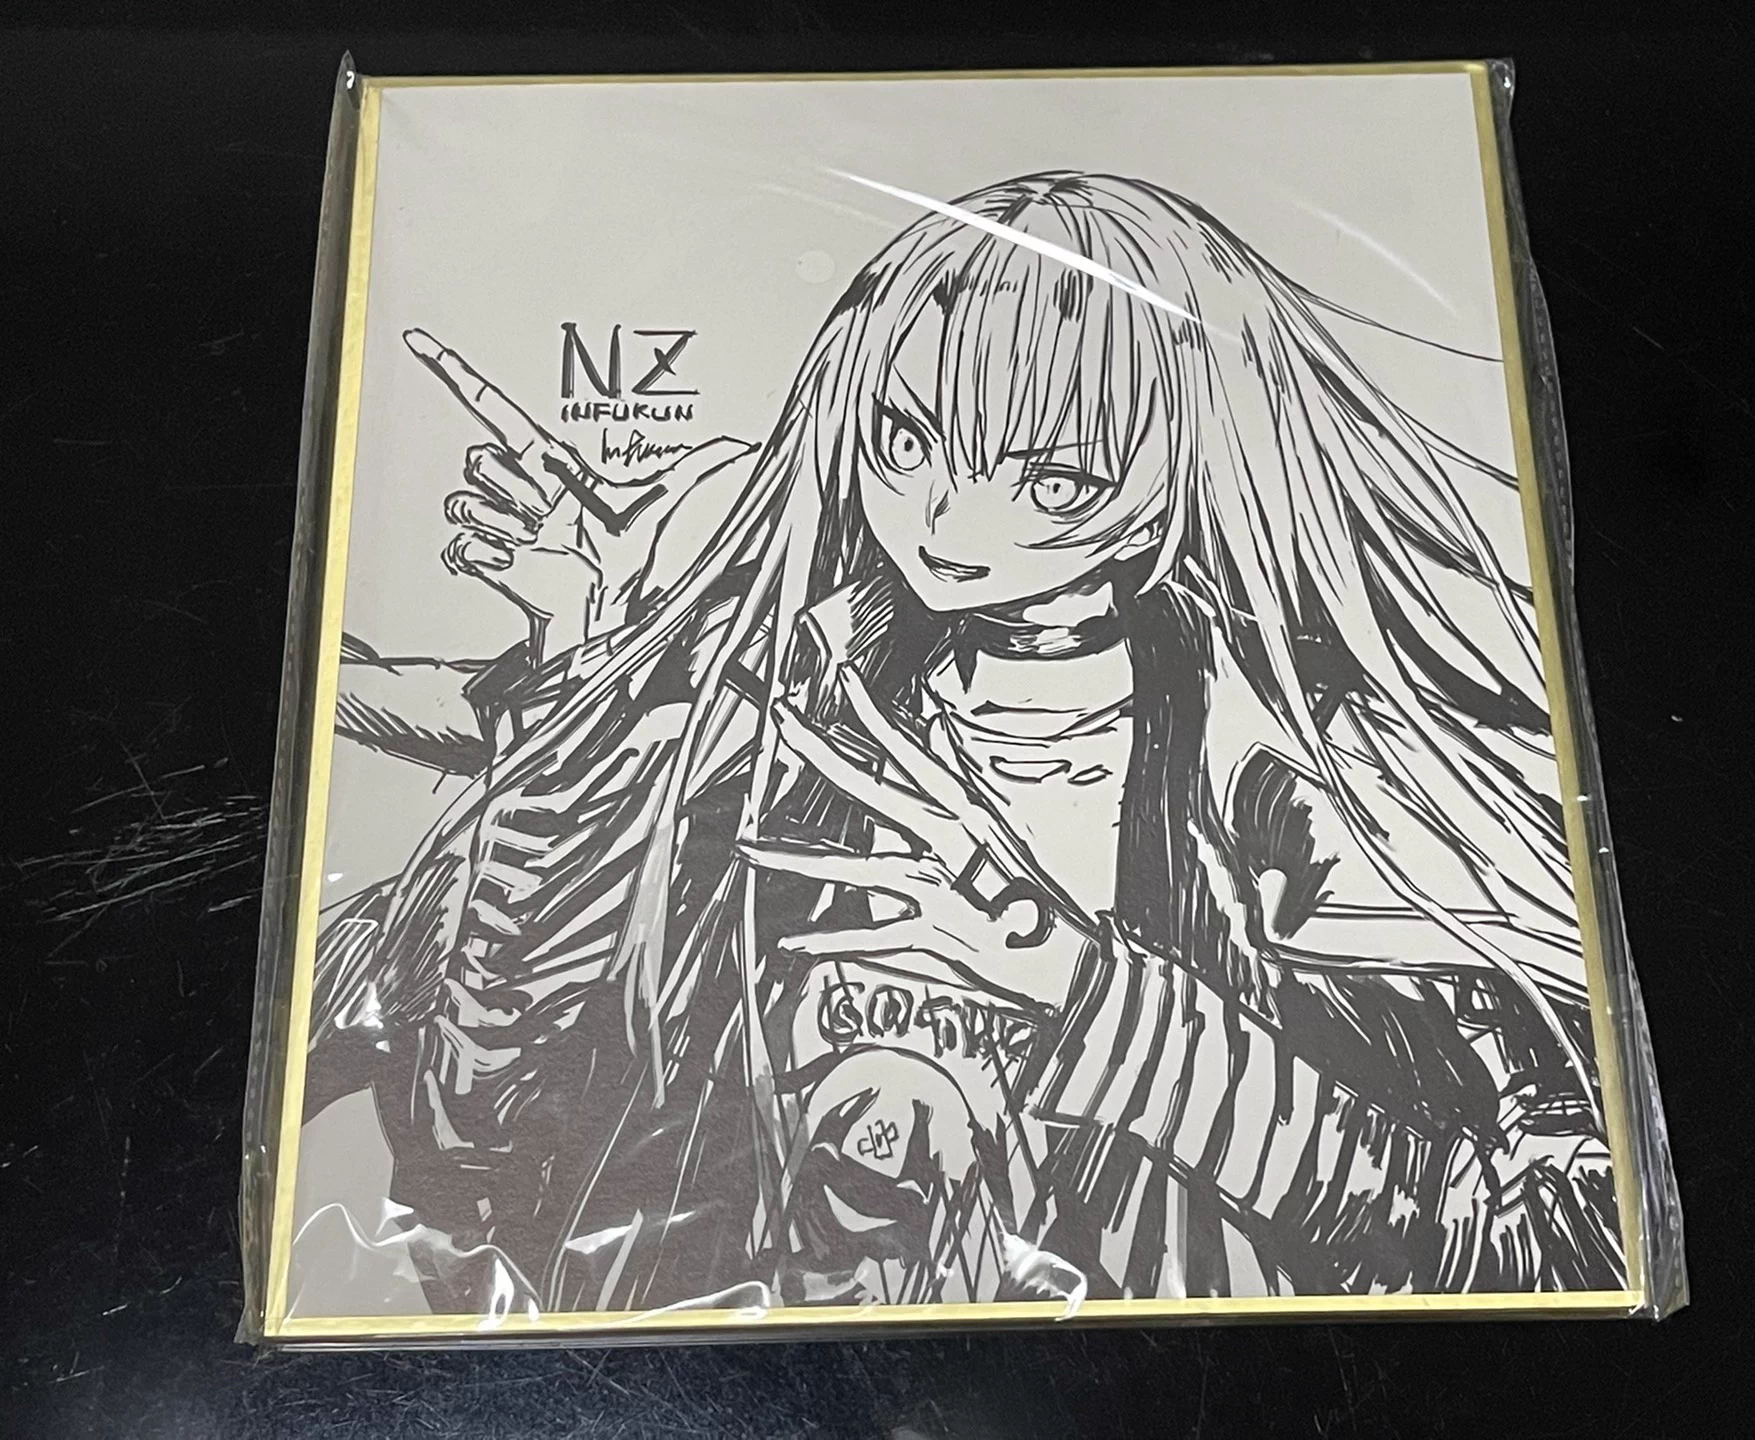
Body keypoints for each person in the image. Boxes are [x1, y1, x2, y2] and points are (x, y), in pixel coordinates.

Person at [306, 171, 1625, 1316]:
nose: (941, 519)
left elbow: (1561, 1246)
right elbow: (496, 1143)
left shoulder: (1317, 782)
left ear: (1189, 457)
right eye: (904, 439)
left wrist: (1099, 1004)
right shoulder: (785, 714)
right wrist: (588, 660)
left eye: (1051, 479)